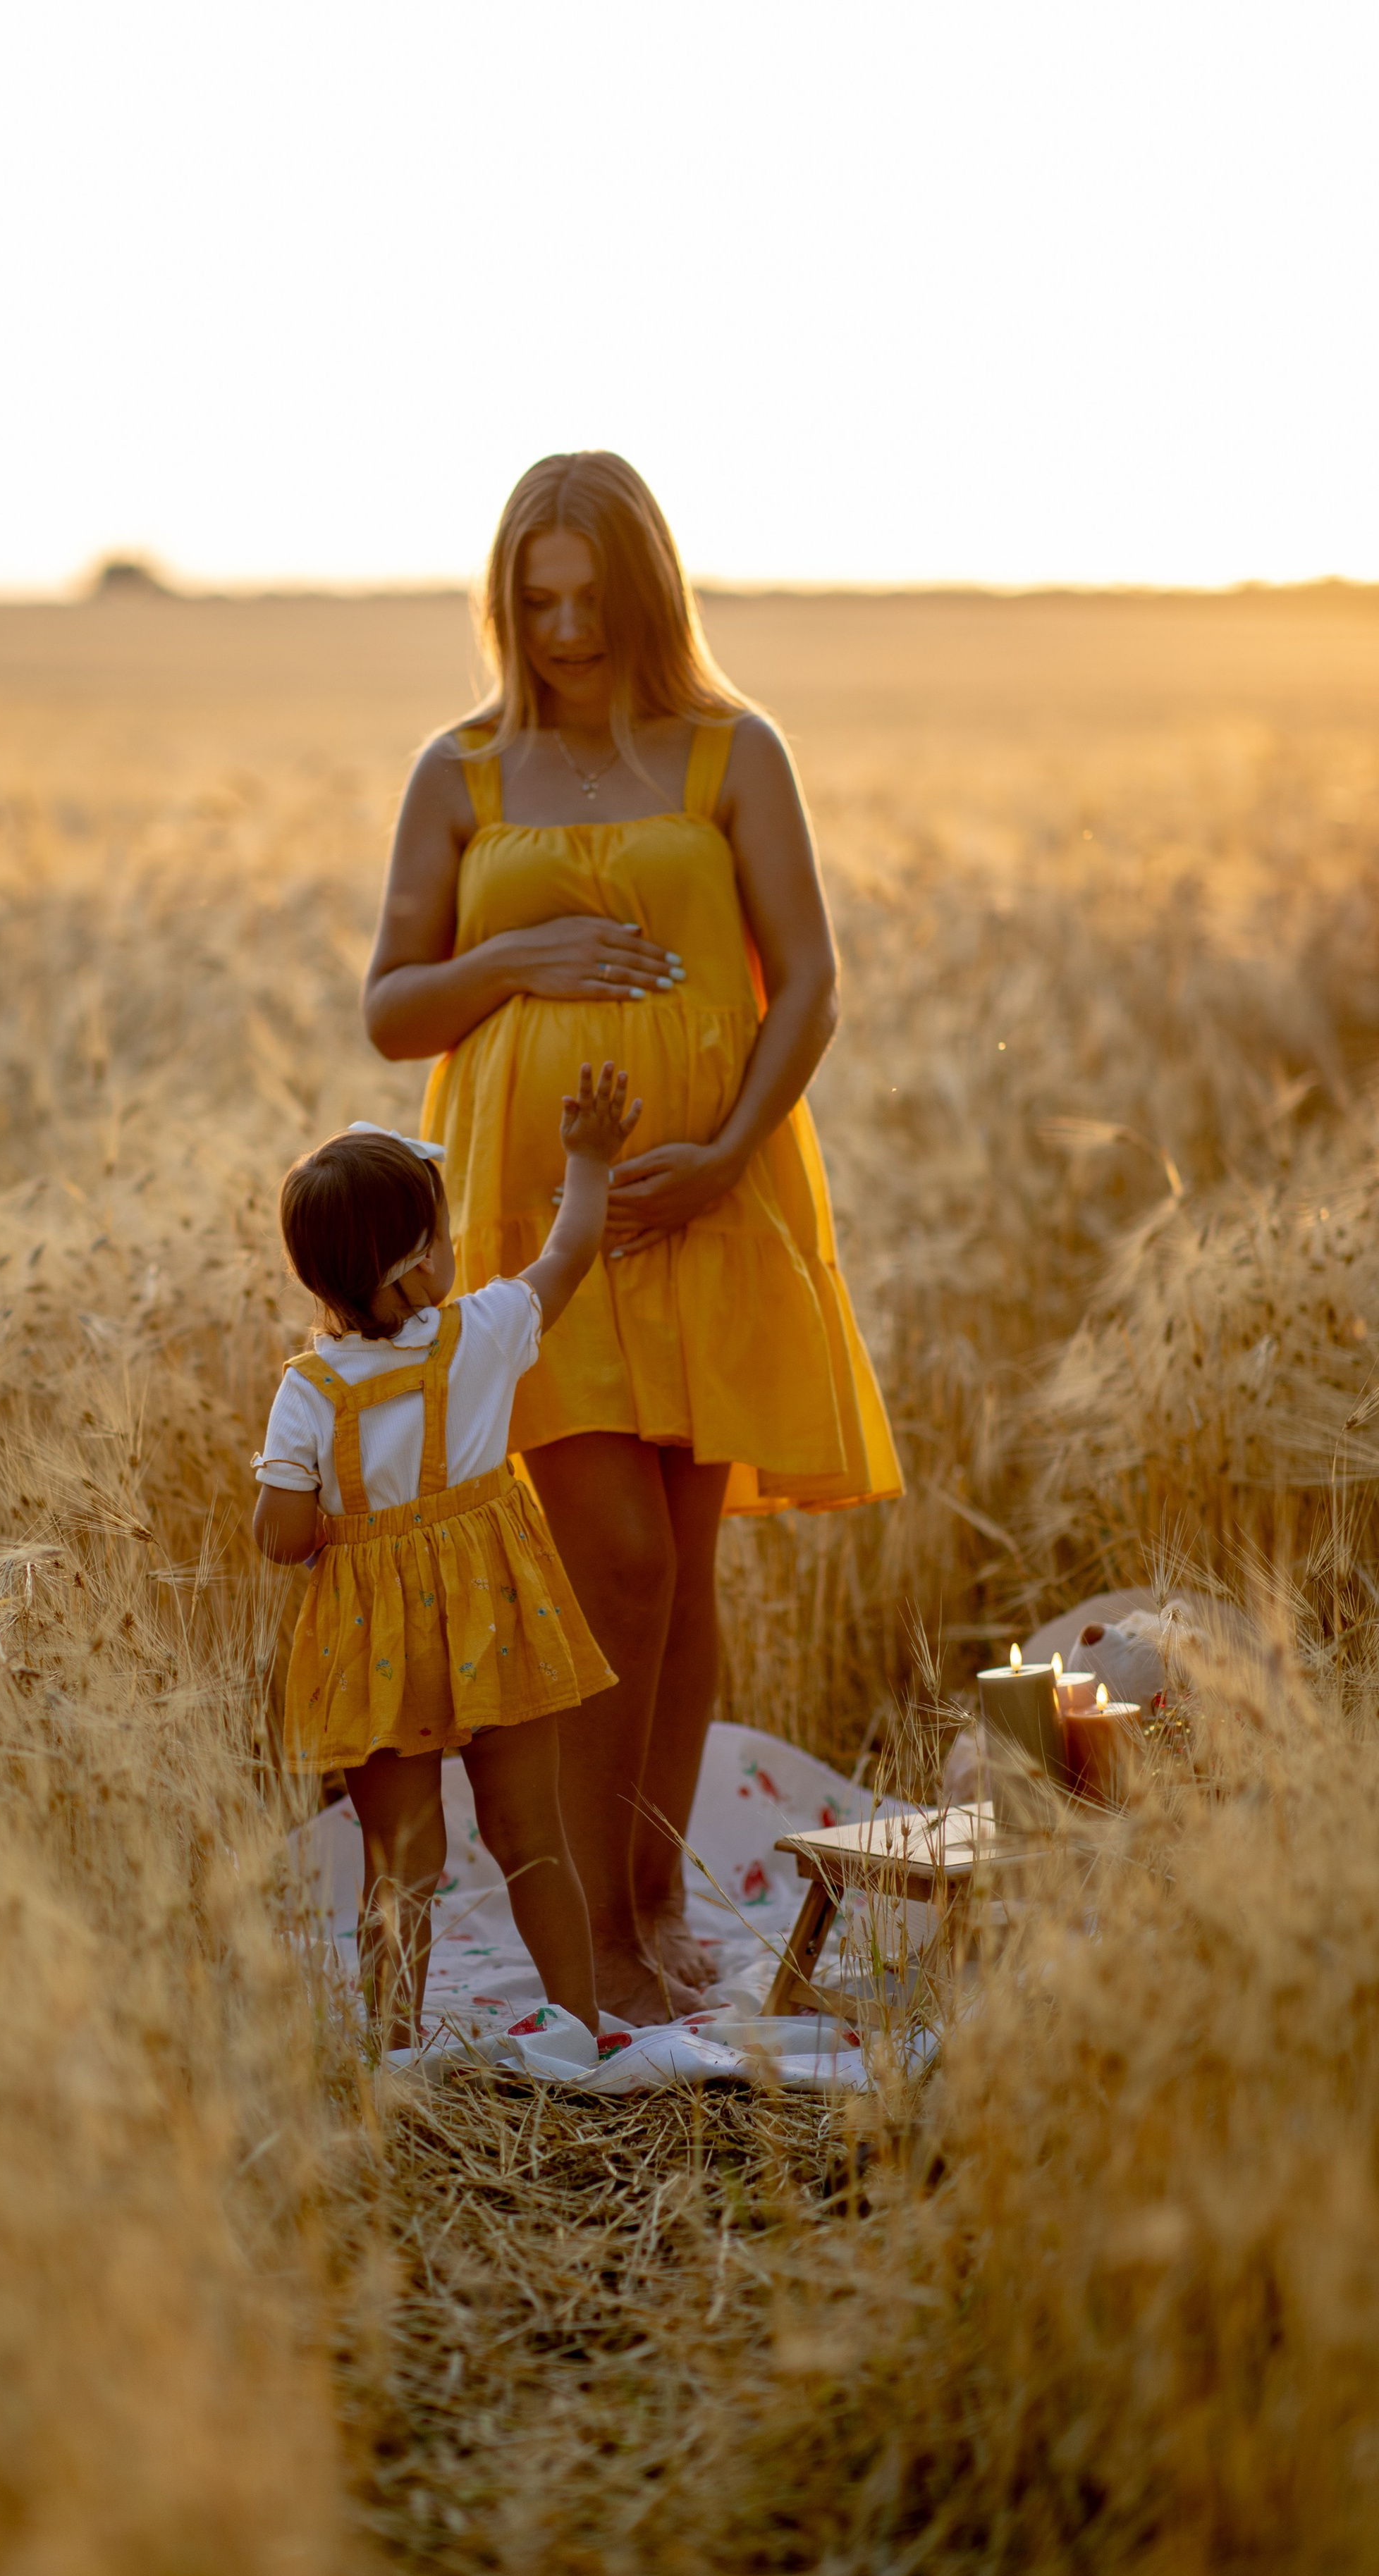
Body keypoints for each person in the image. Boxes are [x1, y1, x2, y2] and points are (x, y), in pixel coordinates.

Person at [362, 451, 902, 2026]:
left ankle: (654, 1901)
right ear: (505, 603)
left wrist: (726, 1153)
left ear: (646, 592)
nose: (567, 630)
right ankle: (587, 1938)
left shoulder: (732, 752)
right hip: (540, 1228)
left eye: (593, 599)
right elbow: (393, 1004)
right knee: (607, 1550)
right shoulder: (458, 770)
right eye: (538, 603)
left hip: (715, 1205)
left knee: (681, 1571)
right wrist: (516, 950)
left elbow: (805, 979)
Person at [252, 1064, 641, 2046]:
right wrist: (587, 1158)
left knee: (399, 1861)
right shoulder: (485, 1332)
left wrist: (303, 1505)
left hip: (368, 1640)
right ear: (415, 1272)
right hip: (492, 1612)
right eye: (445, 1239)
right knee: (533, 1840)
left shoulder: (306, 1391)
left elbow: (286, 1538)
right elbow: (572, 1249)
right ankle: (578, 2029)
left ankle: (394, 2056)